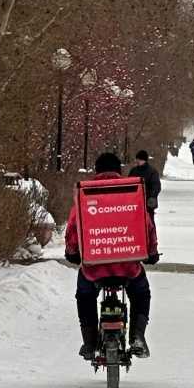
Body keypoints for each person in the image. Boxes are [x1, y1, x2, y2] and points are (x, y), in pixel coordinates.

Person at [65, 150, 158, 360]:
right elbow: (146, 226)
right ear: (119, 170)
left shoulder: (85, 194)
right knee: (142, 293)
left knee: (85, 296)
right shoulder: (129, 192)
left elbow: (73, 227)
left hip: (94, 269)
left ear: (96, 171)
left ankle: (89, 342)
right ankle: (137, 336)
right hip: (127, 268)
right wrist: (151, 252)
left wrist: (72, 252)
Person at [131, 148, 162, 214]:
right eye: (137, 159)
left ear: (144, 160)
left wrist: (152, 197)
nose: (137, 161)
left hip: (148, 202)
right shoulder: (133, 170)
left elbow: (156, 186)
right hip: (135, 201)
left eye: (139, 159)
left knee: (149, 220)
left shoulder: (152, 171)